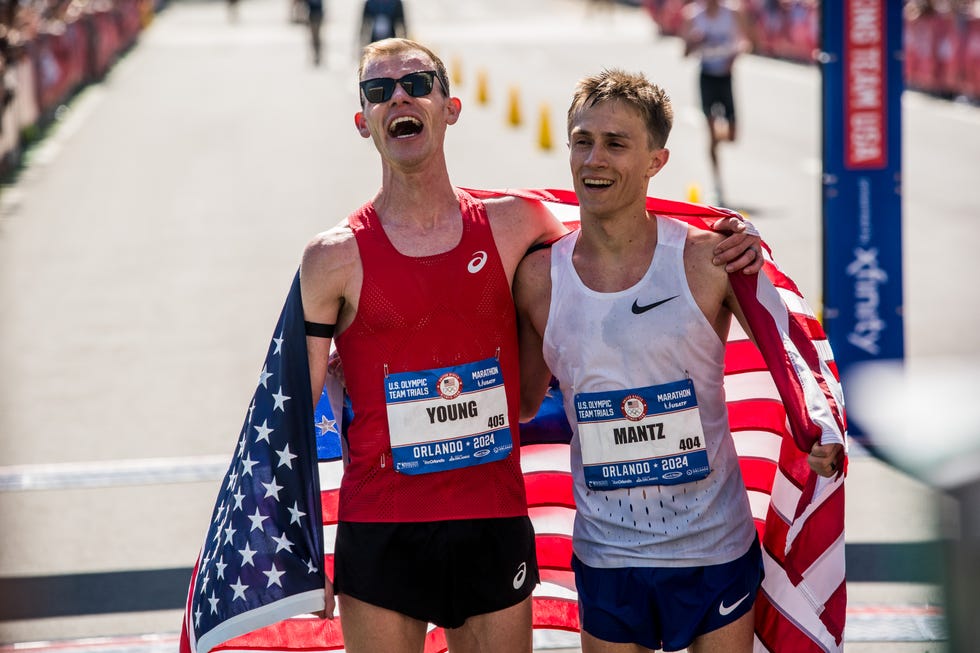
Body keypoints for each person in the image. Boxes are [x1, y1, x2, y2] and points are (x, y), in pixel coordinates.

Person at [299, 39, 763, 653]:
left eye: (416, 83)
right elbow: (292, 429)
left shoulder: (518, 227)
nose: (400, 97)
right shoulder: (331, 259)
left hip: (491, 524)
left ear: (450, 106)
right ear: (364, 122)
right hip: (382, 528)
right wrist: (302, 551)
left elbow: (615, 233)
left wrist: (737, 234)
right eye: (380, 91)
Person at [513, 69, 845, 653]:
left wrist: (815, 428)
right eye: (582, 140)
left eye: (617, 143)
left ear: (656, 161)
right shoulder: (539, 280)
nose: (595, 158)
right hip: (608, 555)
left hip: (714, 546)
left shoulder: (707, 260)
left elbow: (787, 352)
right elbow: (519, 402)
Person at [681, 0, 752, 206]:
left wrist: (735, 55)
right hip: (707, 77)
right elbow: (685, 52)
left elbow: (747, 42)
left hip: (726, 76)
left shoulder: (734, 12)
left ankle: (719, 134)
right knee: (711, 133)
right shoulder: (692, 15)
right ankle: (717, 184)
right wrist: (694, 42)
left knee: (732, 136)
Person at [306, 0, 324, 65]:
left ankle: (318, 55)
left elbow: (316, 3)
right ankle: (315, 55)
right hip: (312, 16)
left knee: (316, 37)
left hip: (317, 16)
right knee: (313, 37)